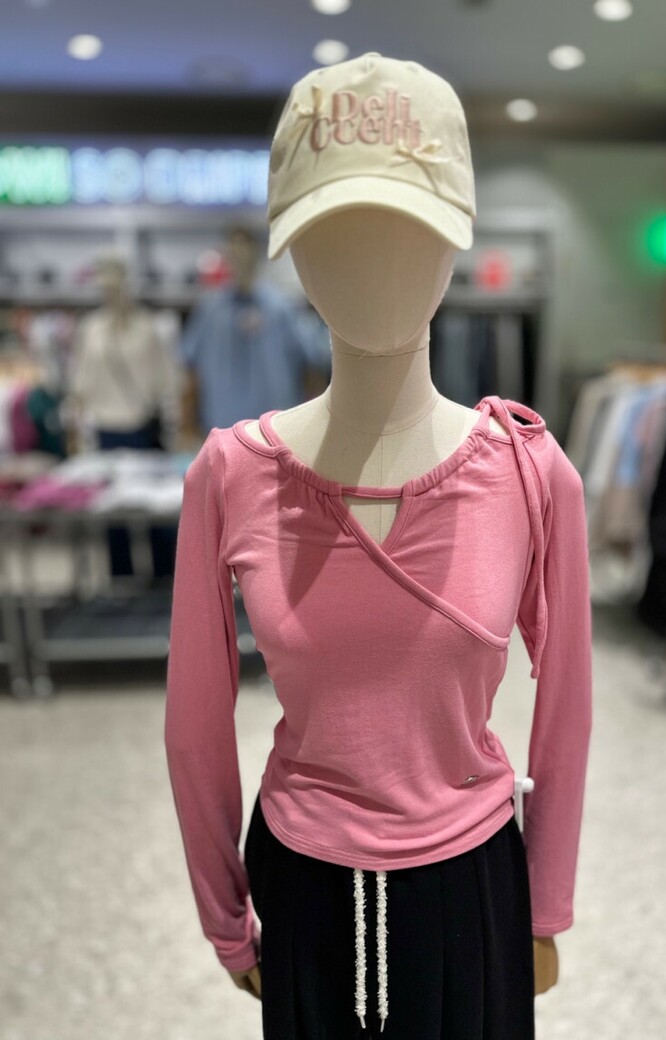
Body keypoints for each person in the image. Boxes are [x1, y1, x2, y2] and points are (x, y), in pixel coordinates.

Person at [165, 53, 592, 1039]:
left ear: (458, 236)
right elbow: (194, 723)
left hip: (473, 879)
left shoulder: (532, 473)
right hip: (303, 879)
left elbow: (565, 705)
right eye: (332, 231)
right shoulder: (228, 475)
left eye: (410, 227)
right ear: (292, 249)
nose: (373, 262)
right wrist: (225, 916)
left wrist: (547, 901)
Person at [68, 256, 180, 577]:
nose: (110, 293)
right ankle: (121, 580)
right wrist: (74, 428)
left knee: (153, 508)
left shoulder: (148, 328)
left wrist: (175, 424)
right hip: (105, 429)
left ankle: (162, 579)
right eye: (104, 287)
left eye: (115, 286)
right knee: (113, 512)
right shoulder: (91, 329)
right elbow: (79, 383)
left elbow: (167, 380)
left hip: (143, 427)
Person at [179, 223, 330, 438]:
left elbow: (311, 369)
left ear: (257, 253)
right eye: (233, 250)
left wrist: (313, 427)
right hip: (222, 430)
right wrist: (186, 425)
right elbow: (191, 373)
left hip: (276, 433)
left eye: (244, 249)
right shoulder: (210, 312)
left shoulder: (282, 309)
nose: (239, 257)